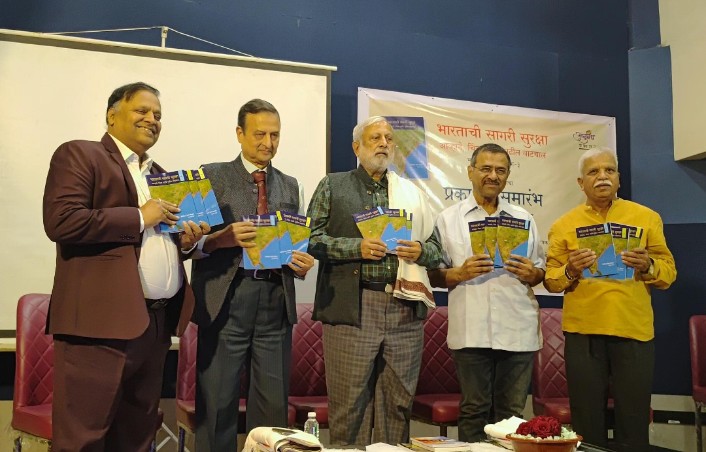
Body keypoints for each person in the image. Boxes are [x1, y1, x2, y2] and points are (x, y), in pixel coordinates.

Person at [43, 82, 209, 451]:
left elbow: (155, 242)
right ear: (111, 116)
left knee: (136, 437)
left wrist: (185, 242)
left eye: (158, 115)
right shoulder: (80, 154)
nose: (152, 119)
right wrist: (138, 216)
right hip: (99, 326)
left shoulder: (162, 175)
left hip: (154, 325)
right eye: (142, 111)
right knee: (82, 440)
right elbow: (62, 222)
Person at [307, 115, 443, 447]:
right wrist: (356, 247)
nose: (384, 143)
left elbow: (436, 249)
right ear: (357, 147)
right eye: (375, 138)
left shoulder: (412, 193)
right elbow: (309, 239)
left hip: (404, 307)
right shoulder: (333, 185)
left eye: (389, 138)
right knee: (349, 406)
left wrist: (420, 250)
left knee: (397, 405)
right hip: (353, 306)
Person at [190, 99, 315, 451]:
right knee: (217, 404)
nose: (268, 142)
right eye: (259, 134)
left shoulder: (290, 185)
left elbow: (294, 243)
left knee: (272, 408)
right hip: (226, 299)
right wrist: (222, 238)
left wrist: (301, 263)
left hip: (275, 300)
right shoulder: (210, 175)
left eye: (275, 135)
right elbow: (189, 243)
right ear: (239, 133)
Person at [544, 147, 676, 450]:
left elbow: (669, 273)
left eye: (609, 170)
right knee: (587, 424)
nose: (602, 176)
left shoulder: (646, 218)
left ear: (619, 179)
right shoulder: (563, 225)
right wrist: (571, 269)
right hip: (583, 335)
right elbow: (551, 281)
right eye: (593, 172)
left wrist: (648, 265)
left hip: (634, 332)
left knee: (634, 422)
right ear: (581, 183)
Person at [428, 143, 545, 442]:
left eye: (500, 170)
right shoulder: (448, 218)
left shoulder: (524, 217)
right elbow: (433, 274)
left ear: (507, 176)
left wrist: (532, 273)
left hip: (517, 327)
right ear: (470, 172)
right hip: (472, 328)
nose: (493, 176)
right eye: (486, 168)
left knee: (512, 415)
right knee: (474, 410)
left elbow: (540, 272)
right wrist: (460, 273)